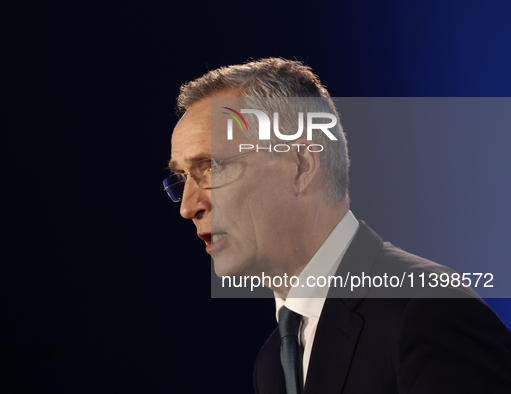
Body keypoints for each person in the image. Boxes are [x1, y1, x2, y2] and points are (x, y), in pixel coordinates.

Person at [164, 58, 511, 393]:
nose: (188, 206)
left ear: (299, 166)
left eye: (211, 168)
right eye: (181, 178)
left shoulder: (425, 310)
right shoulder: (271, 363)